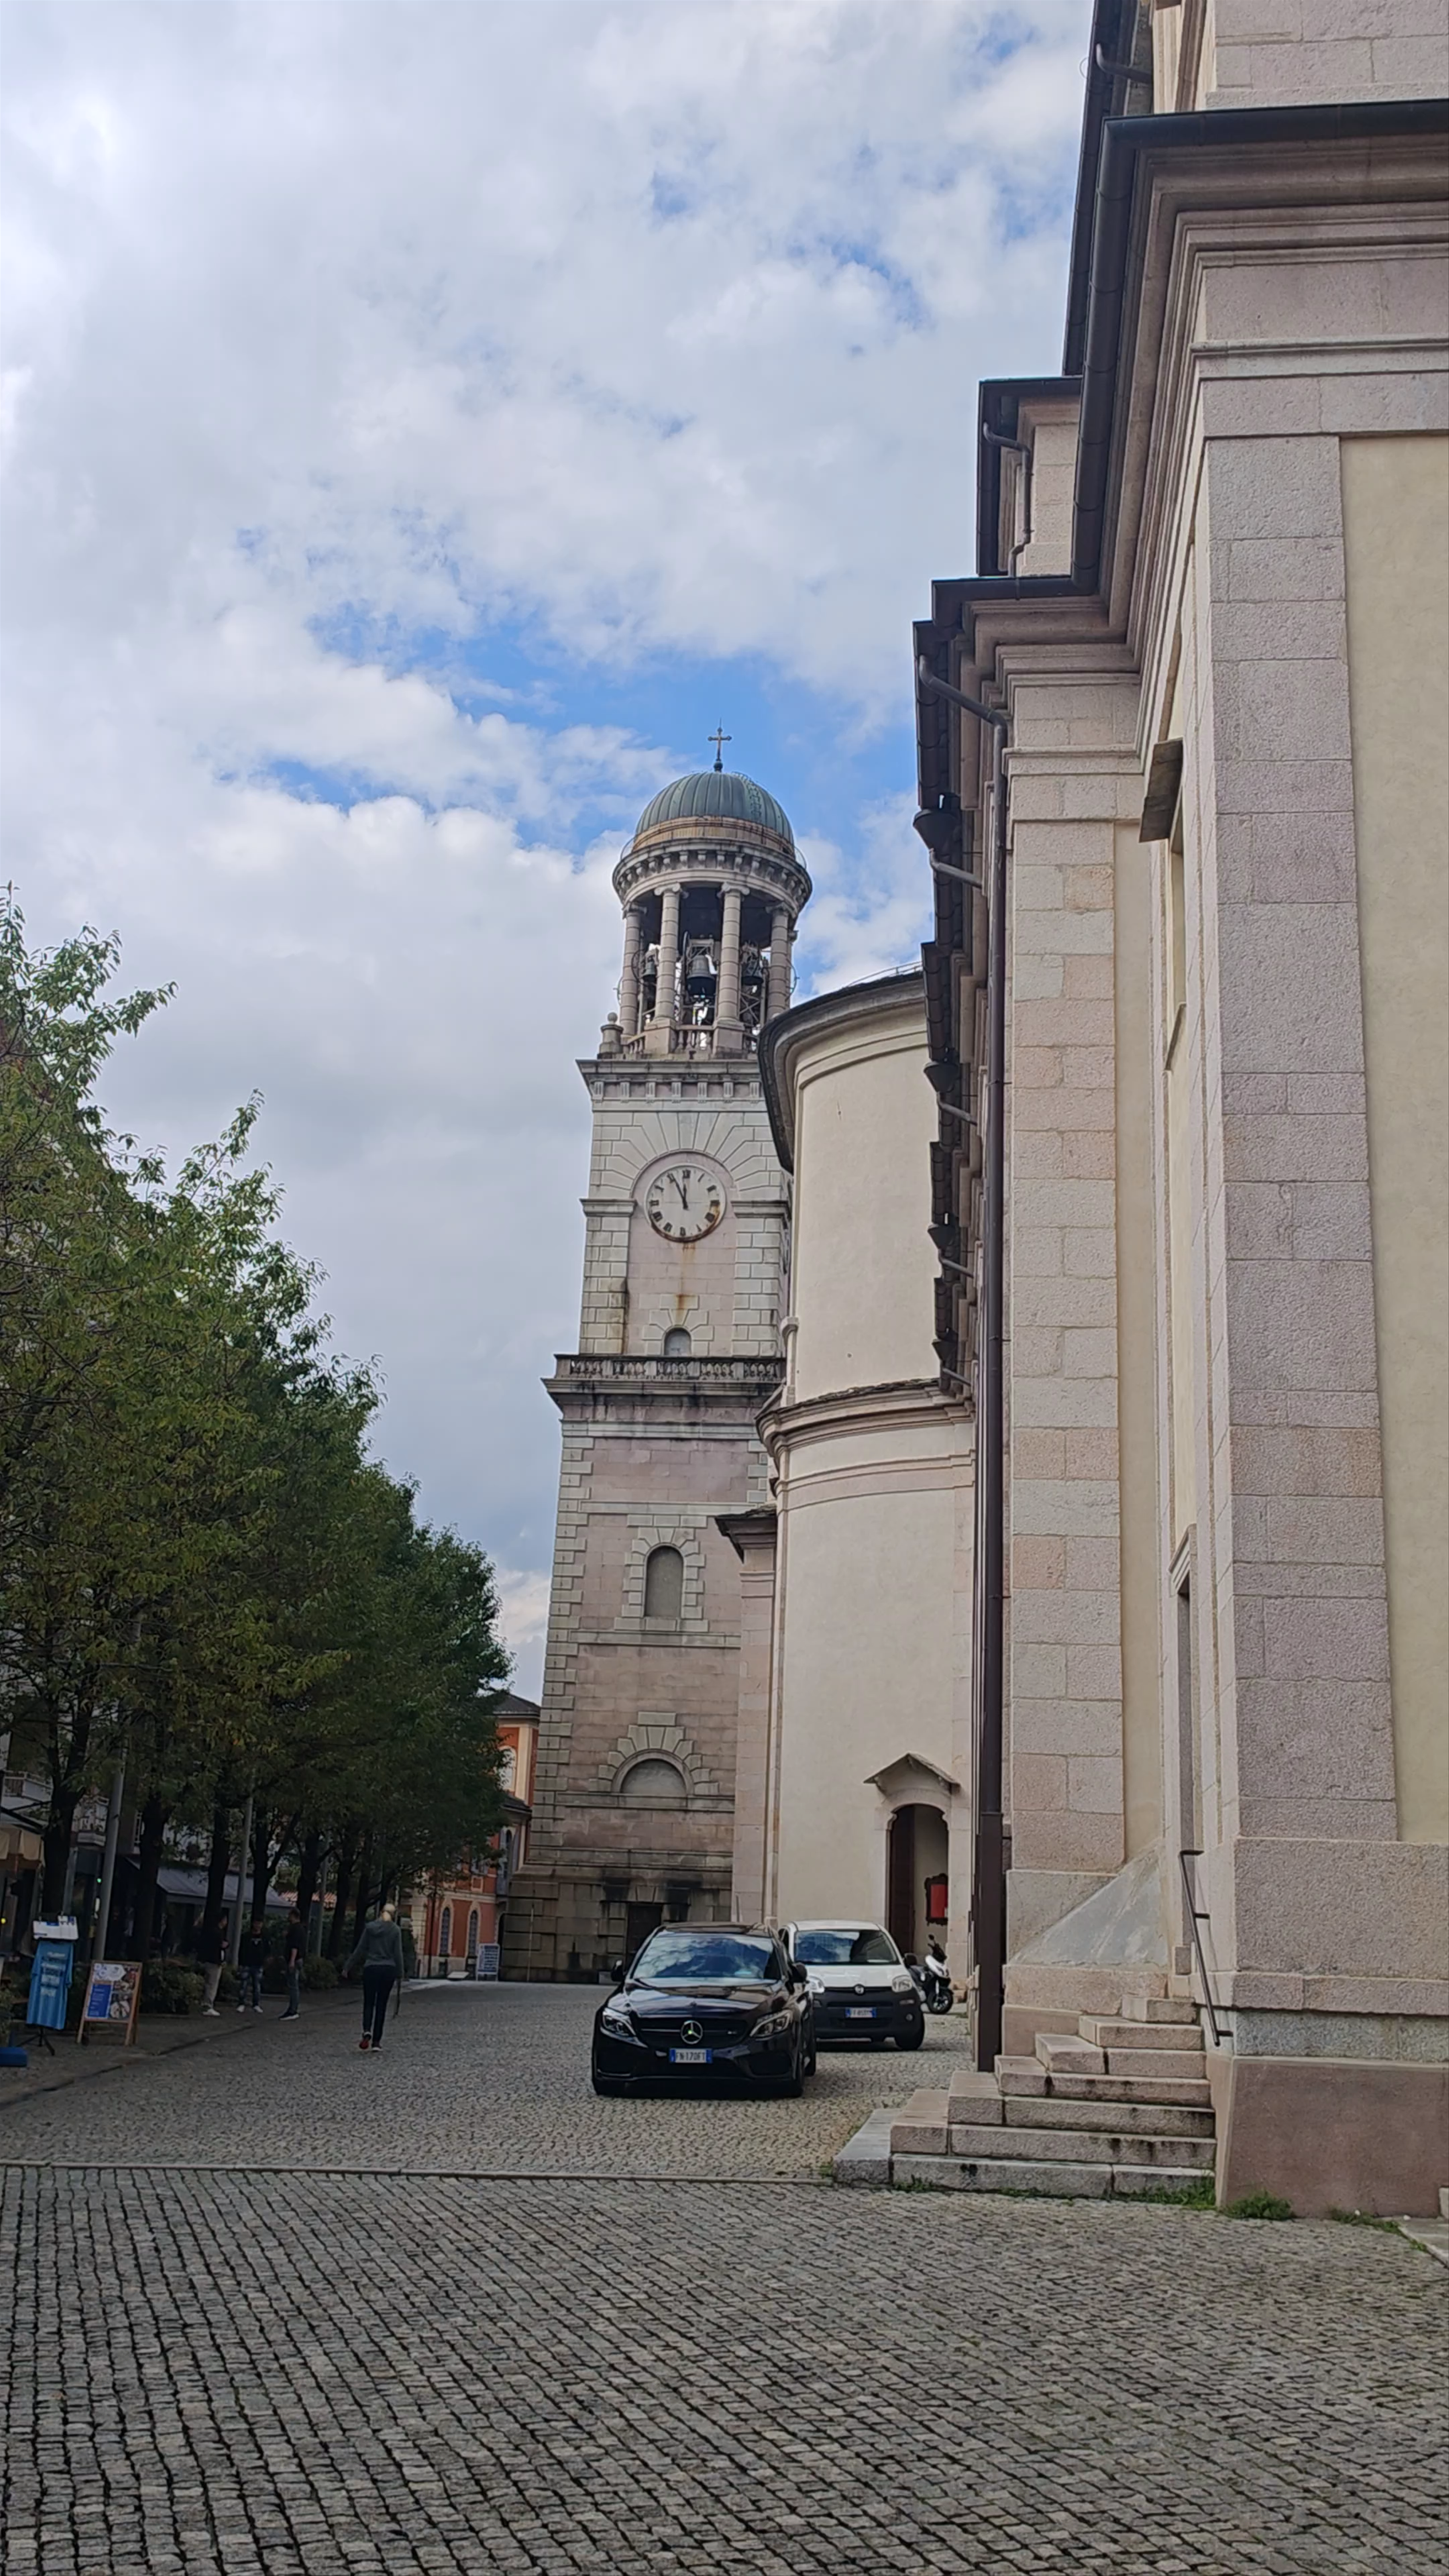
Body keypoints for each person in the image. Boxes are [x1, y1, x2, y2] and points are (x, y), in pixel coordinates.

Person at [345, 1902, 406, 2053]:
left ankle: (367, 2030)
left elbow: (360, 1949)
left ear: (381, 1913)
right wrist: (401, 1973)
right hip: (388, 1969)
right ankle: (377, 2042)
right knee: (381, 2005)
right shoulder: (395, 1931)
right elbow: (398, 1954)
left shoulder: (370, 1929)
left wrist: (348, 1967)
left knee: (369, 2003)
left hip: (371, 1968)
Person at [195, 1913, 228, 2016]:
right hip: (215, 1962)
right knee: (212, 1984)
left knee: (209, 1983)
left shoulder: (212, 1932)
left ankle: (205, 2003)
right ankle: (208, 2005)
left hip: (211, 1961)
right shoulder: (218, 1933)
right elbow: (218, 1946)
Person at [238, 1918, 267, 2014]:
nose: (258, 1926)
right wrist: (241, 1963)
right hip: (247, 1963)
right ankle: (241, 2003)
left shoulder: (265, 1937)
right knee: (244, 1985)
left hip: (258, 1964)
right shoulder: (246, 1936)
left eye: (260, 1924)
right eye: (256, 1923)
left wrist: (265, 1961)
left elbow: (268, 1949)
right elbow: (241, 1950)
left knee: (257, 1986)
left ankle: (256, 2004)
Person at [280, 1907, 304, 2021]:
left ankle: (293, 2010)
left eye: (290, 1915)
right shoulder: (301, 1929)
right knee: (294, 1985)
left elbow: (294, 1946)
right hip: (298, 1959)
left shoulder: (295, 1929)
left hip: (294, 1960)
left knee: (293, 1986)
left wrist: (292, 1961)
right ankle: (293, 2009)